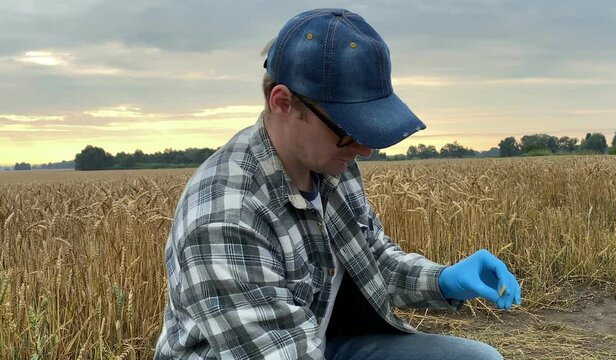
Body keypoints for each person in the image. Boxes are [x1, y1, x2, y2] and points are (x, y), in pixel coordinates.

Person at [155, 8, 521, 360]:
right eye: (348, 130)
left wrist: (443, 280)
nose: (364, 149)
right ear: (283, 102)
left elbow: (371, 259)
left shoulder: (330, 163)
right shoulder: (226, 218)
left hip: (320, 342)